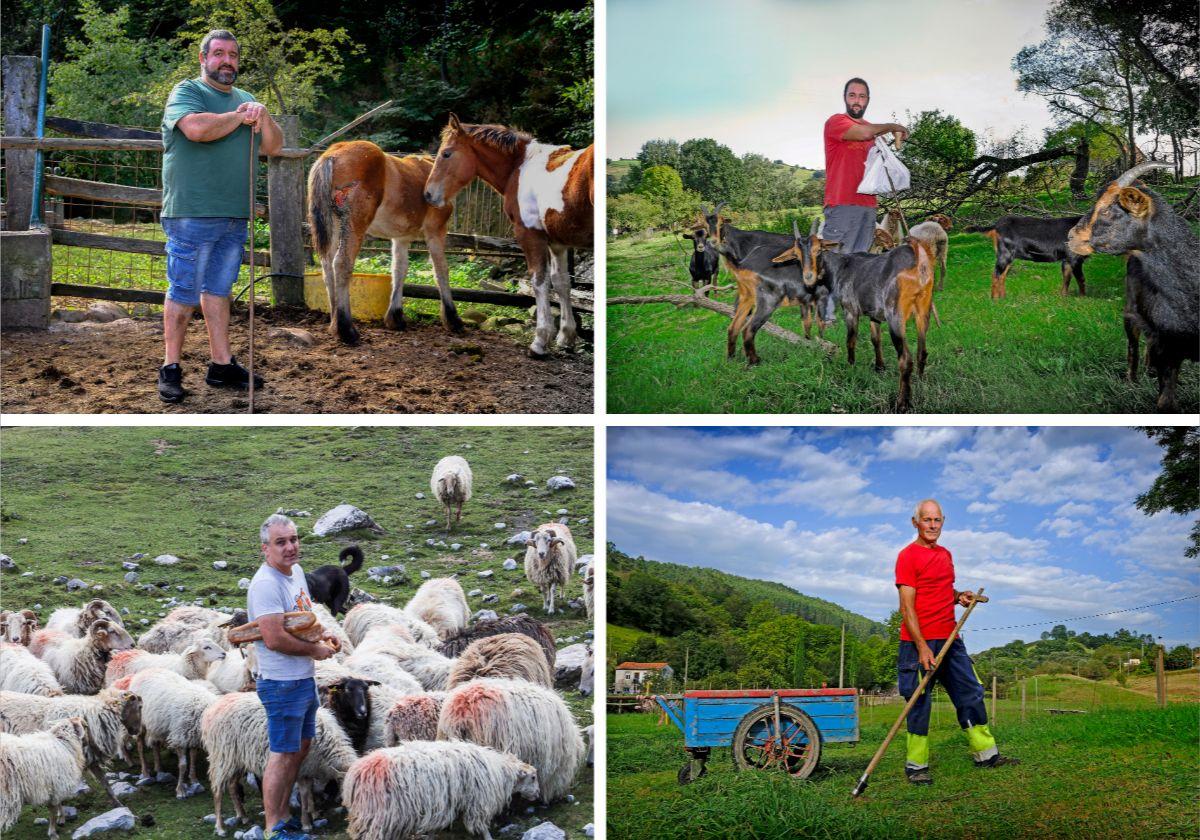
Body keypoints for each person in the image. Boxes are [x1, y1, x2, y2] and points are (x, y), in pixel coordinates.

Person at [157, 29, 283, 403]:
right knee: (183, 292)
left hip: (234, 214)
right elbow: (195, 129)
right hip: (192, 211)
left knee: (218, 290)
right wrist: (239, 116)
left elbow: (275, 146)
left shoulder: (246, 100)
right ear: (203, 58)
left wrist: (264, 115)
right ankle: (170, 367)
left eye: (233, 55)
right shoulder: (187, 92)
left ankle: (221, 364)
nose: (227, 61)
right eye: (219, 54)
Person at [895, 499, 1019, 785]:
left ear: (943, 522)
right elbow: (906, 607)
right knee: (919, 702)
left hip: (951, 639)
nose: (933, 525)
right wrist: (923, 646)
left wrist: (958, 596)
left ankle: (986, 755)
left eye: (937, 520)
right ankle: (917, 766)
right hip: (918, 643)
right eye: (927, 520)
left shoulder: (946, 554)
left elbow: (939, 590)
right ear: (916, 522)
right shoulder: (907, 556)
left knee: (971, 692)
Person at [246, 514, 337, 840]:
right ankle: (274, 827)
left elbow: (302, 617)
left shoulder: (296, 572)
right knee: (283, 754)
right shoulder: (266, 584)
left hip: (302, 679)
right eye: (280, 542)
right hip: (281, 682)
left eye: (293, 539)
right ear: (265, 549)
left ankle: (284, 814)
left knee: (300, 747)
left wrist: (323, 635)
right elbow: (273, 639)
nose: (290, 547)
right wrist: (313, 652)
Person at [821, 77, 909, 255]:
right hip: (842, 204)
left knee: (859, 264)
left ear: (867, 100)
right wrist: (893, 126)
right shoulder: (836, 122)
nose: (857, 100)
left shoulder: (874, 132)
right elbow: (863, 134)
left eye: (862, 96)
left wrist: (897, 136)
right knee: (834, 263)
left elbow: (878, 162)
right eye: (852, 95)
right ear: (845, 98)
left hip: (868, 205)